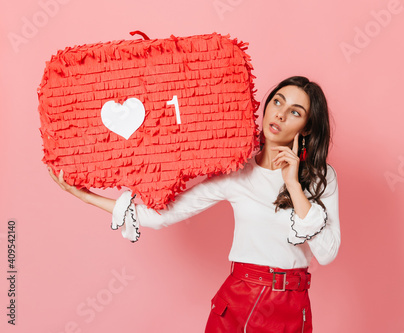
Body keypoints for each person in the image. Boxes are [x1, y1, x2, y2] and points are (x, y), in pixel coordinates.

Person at [49, 76, 341, 332]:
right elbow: (160, 217)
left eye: (294, 112)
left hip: (292, 308)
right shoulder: (236, 172)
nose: (279, 114)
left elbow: (326, 253)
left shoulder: (321, 178)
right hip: (239, 300)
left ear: (306, 128)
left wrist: (292, 184)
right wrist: (84, 195)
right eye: (277, 102)